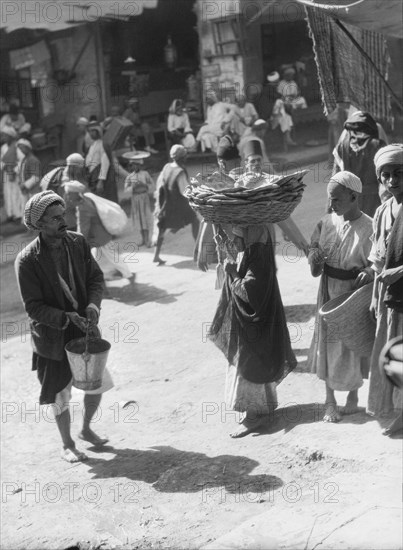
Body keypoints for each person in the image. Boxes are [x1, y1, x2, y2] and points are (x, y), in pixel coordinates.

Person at [15, 190, 112, 463]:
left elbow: (95, 278)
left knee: (97, 384)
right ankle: (67, 443)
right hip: (53, 336)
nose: (63, 220)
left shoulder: (78, 243)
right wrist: (66, 317)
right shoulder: (27, 260)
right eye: (55, 218)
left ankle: (86, 429)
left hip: (85, 327)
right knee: (60, 393)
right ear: (39, 224)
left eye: (63, 215)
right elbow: (33, 307)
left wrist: (92, 307)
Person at [208, 224, 297, 438]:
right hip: (255, 324)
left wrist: (231, 272)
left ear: (248, 236)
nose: (235, 243)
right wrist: (223, 243)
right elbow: (239, 262)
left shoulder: (257, 257)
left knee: (249, 365)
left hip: (255, 326)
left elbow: (250, 292)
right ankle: (261, 410)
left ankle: (253, 417)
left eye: (238, 238)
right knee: (252, 364)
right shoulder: (252, 250)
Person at [308, 171, 374, 422]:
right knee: (328, 344)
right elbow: (314, 257)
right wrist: (313, 256)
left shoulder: (369, 226)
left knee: (353, 343)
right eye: (329, 199)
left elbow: (377, 260)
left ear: (353, 196)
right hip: (328, 291)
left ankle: (353, 398)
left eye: (336, 199)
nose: (331, 204)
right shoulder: (326, 223)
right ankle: (329, 401)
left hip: (353, 295)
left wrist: (369, 271)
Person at [367, 144, 403, 423]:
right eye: (386, 175)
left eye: (399, 173)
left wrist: (399, 272)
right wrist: (374, 295)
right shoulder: (382, 212)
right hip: (388, 298)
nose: (392, 181)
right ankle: (394, 409)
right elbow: (377, 260)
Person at [63, 181, 135, 284]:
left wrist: (78, 241)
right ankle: (106, 277)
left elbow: (83, 228)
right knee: (100, 258)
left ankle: (127, 274)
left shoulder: (82, 208)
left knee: (111, 257)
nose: (67, 196)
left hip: (98, 237)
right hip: (101, 235)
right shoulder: (88, 198)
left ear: (75, 193)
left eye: (69, 193)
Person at [332, 110, 386, 217]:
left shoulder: (342, 146)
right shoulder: (378, 145)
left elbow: (335, 178)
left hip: (350, 200)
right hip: (374, 200)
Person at [153, 144, 199, 265]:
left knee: (162, 228)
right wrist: (195, 190)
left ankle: (156, 255)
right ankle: (199, 252)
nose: (186, 158)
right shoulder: (180, 172)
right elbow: (185, 191)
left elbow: (160, 184)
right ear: (182, 158)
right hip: (178, 205)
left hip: (166, 203)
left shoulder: (167, 166)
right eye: (185, 155)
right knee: (195, 221)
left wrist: (159, 203)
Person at [40, 153, 89, 230]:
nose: (80, 170)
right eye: (79, 168)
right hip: (66, 216)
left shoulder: (72, 175)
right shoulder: (64, 181)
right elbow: (68, 203)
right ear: (73, 167)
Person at [124, 153, 155, 247]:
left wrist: (145, 185)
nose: (135, 167)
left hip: (144, 197)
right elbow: (126, 190)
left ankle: (147, 239)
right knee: (139, 218)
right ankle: (142, 239)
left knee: (145, 216)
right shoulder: (129, 177)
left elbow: (152, 185)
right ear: (131, 166)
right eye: (133, 165)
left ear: (140, 165)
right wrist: (133, 187)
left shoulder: (145, 174)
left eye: (137, 165)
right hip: (136, 199)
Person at [85, 123, 118, 203]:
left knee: (107, 200)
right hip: (93, 177)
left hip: (103, 179)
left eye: (94, 131)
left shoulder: (103, 144)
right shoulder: (91, 146)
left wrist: (101, 181)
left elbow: (105, 164)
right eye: (90, 131)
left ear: (98, 132)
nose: (91, 133)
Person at [1, 125, 22, 222]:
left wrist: (14, 171)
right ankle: (10, 214)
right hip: (6, 173)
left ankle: (18, 215)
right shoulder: (3, 148)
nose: (3, 138)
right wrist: (4, 167)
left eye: (5, 136)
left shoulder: (17, 146)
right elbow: (1, 161)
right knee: (7, 193)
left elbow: (21, 161)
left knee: (16, 193)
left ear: (11, 136)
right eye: (2, 136)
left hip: (16, 174)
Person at [16, 139, 41, 211]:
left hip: (33, 189)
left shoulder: (33, 160)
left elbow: (36, 177)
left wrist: (25, 185)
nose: (21, 150)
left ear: (28, 148)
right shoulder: (25, 159)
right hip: (26, 189)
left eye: (22, 148)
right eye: (20, 148)